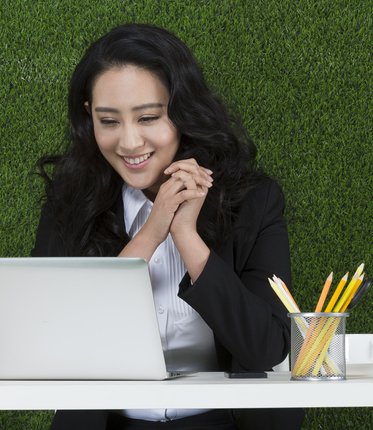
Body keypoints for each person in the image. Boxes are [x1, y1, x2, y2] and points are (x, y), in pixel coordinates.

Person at [32, 24, 305, 430]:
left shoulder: (254, 201)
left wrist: (186, 237)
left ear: (182, 112)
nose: (128, 142)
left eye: (147, 118)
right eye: (109, 121)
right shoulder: (69, 203)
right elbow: (62, 342)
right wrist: (151, 232)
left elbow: (265, 346)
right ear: (90, 116)